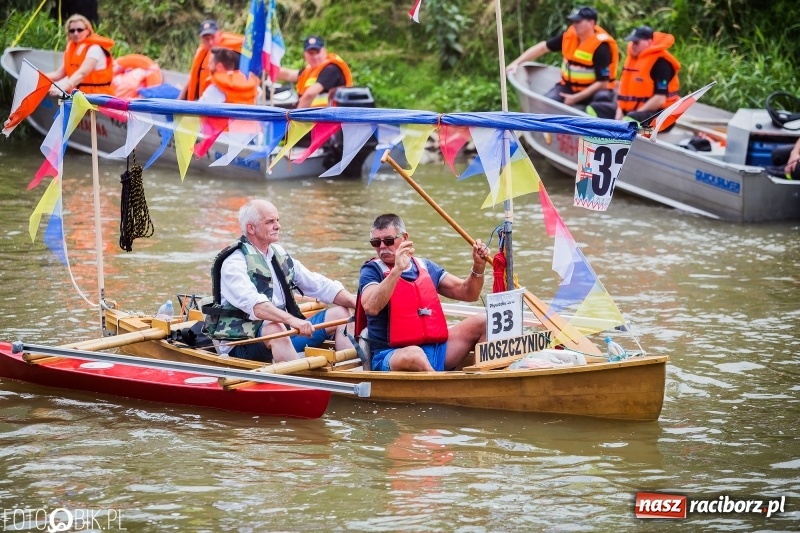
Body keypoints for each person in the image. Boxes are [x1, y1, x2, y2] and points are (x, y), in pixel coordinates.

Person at [204, 199, 356, 363]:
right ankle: (297, 382)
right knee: (276, 328)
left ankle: (349, 372)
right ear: (251, 228)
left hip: (284, 333)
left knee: (342, 313)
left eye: (277, 220)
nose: (278, 226)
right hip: (243, 342)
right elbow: (257, 306)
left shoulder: (279, 253)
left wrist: (359, 304)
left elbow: (320, 285)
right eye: (270, 222)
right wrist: (293, 321)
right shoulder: (234, 262)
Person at [356, 214, 490, 372]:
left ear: (404, 237)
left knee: (486, 321)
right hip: (390, 354)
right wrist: (397, 270)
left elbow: (469, 294)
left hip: (435, 349)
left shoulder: (424, 266)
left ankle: (481, 380)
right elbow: (371, 307)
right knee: (415, 355)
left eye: (389, 240)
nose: (383, 247)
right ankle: (443, 389)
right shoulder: (371, 271)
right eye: (376, 242)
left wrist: (478, 266)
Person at [506, 6, 619, 108]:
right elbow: (542, 48)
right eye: (573, 21)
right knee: (546, 103)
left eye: (578, 21)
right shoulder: (569, 37)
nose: (574, 24)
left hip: (594, 91)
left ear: (591, 23)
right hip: (569, 87)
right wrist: (516, 62)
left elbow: (603, 83)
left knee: (601, 101)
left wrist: (576, 98)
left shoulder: (601, 47)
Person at [590, 26, 681, 122]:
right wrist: (619, 112)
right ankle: (597, 134)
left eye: (636, 42)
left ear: (649, 42)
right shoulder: (632, 60)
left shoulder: (661, 63)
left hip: (659, 115)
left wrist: (636, 112)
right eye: (632, 41)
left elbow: (660, 99)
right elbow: (623, 92)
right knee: (593, 109)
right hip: (630, 111)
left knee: (630, 119)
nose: (633, 45)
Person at [45, 14, 115, 96]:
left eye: (79, 30)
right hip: (81, 97)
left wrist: (63, 87)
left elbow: (82, 73)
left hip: (99, 98)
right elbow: (58, 74)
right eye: (72, 30)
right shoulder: (72, 50)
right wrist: (36, 76)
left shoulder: (95, 49)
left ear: (88, 30)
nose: (75, 33)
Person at [277, 36, 353, 108]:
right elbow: (288, 75)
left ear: (324, 51)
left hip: (328, 118)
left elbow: (309, 95)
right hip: (315, 118)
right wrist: (267, 69)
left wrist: (294, 118)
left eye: (318, 52)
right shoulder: (310, 71)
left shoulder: (331, 69)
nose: (315, 57)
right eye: (311, 53)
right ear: (305, 54)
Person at [179, 19, 244, 101]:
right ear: (201, 39)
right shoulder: (202, 53)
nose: (210, 42)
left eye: (213, 38)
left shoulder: (232, 54)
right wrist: (179, 101)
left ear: (219, 34)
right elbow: (193, 79)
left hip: (222, 104)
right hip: (201, 103)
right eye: (206, 39)